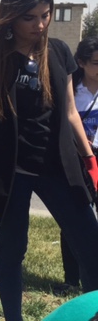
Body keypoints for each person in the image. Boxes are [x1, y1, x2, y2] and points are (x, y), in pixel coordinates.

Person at [0, 0, 98, 321]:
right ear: (11, 18)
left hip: (58, 166)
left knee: (91, 244)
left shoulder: (59, 52)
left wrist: (90, 159)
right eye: (30, 18)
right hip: (11, 172)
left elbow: (69, 112)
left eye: (45, 15)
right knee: (11, 251)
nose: (40, 25)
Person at [54, 36, 98, 295]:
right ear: (80, 63)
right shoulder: (72, 93)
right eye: (96, 63)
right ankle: (72, 279)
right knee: (74, 220)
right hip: (76, 164)